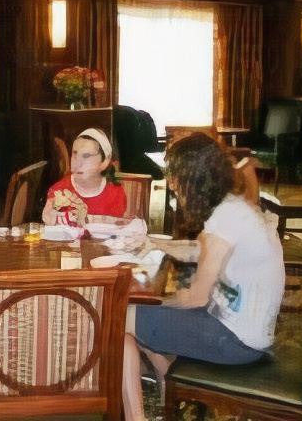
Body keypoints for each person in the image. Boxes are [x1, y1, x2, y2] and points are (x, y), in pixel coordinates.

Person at [122, 133, 285, 421]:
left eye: (176, 179)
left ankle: (140, 415)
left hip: (235, 340)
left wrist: (157, 302)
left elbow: (196, 298)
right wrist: (155, 243)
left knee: (121, 318)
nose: (173, 187)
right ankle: (169, 388)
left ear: (193, 180)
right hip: (246, 331)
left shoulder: (225, 219)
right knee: (141, 317)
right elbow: (199, 250)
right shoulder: (231, 208)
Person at [41, 128, 126, 226]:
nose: (78, 163)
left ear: (105, 161)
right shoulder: (58, 191)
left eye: (86, 156)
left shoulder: (115, 193)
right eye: (75, 154)